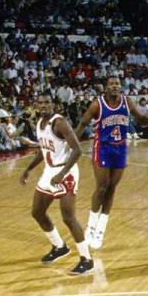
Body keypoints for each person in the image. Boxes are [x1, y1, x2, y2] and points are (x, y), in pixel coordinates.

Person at [75, 76, 148, 251]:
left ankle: (100, 230)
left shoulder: (127, 102)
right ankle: (90, 226)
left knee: (112, 188)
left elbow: (140, 119)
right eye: (111, 84)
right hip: (102, 147)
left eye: (117, 84)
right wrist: (72, 144)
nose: (115, 86)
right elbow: (82, 123)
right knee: (102, 187)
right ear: (105, 87)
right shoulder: (98, 104)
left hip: (120, 149)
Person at [21, 94, 93, 276]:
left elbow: (77, 150)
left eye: (47, 102)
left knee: (68, 217)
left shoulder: (59, 123)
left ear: (53, 104)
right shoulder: (39, 123)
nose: (43, 105)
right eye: (40, 103)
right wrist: (28, 169)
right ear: (36, 105)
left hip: (66, 172)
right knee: (37, 212)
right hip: (50, 171)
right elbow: (43, 150)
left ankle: (86, 259)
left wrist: (61, 174)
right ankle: (59, 246)